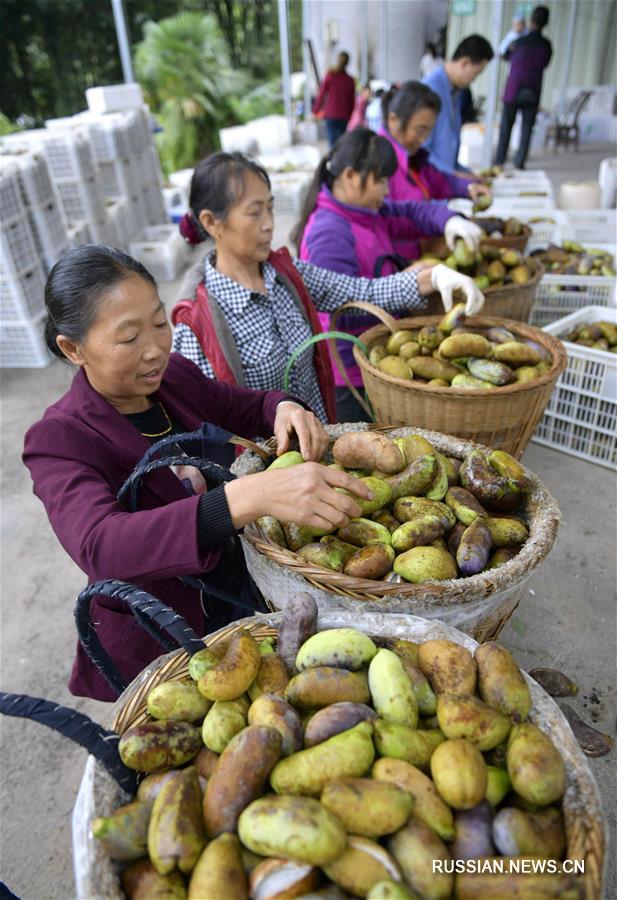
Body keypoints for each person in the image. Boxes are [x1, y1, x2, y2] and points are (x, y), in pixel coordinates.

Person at [23, 245, 374, 701]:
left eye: (159, 323)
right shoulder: (59, 439)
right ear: (73, 349)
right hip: (162, 634)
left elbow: (245, 405)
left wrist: (283, 408)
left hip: (234, 597)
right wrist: (247, 497)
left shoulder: (174, 378)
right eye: (129, 338)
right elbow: (102, 545)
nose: (155, 349)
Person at [173, 152, 484, 425]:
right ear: (211, 222)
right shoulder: (197, 323)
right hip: (266, 469)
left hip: (321, 447)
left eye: (270, 208)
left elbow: (363, 292)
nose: (268, 223)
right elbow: (199, 422)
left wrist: (433, 278)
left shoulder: (287, 274)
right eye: (255, 213)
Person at [294, 128, 486, 420]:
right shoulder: (329, 232)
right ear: (350, 176)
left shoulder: (368, 211)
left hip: (378, 353)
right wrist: (408, 282)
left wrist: (449, 221)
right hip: (351, 375)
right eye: (381, 180)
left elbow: (413, 212)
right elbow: (343, 309)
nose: (387, 189)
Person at [379, 82, 491, 225]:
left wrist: (468, 188)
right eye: (420, 130)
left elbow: (440, 182)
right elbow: (394, 220)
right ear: (393, 120)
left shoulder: (415, 160)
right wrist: (443, 221)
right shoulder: (377, 164)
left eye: (429, 131)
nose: (424, 139)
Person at [422, 34, 494, 176]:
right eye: (476, 74)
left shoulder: (455, 92)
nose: (474, 80)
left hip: (446, 179)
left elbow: (449, 155)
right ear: (465, 63)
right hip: (432, 180)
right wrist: (455, 176)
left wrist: (468, 174)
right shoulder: (430, 91)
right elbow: (420, 153)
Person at [495, 6, 552, 170]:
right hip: (532, 90)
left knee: (506, 127)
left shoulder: (518, 42)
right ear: (546, 23)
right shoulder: (546, 45)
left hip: (513, 89)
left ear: (531, 21)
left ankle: (499, 161)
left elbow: (505, 55)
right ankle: (519, 162)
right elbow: (545, 63)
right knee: (526, 129)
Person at [313, 51, 356, 148]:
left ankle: (333, 158)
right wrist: (350, 115)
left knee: (332, 144)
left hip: (331, 115)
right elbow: (352, 101)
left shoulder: (330, 76)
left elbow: (321, 94)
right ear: (348, 63)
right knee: (341, 144)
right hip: (344, 116)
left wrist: (315, 110)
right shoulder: (350, 80)